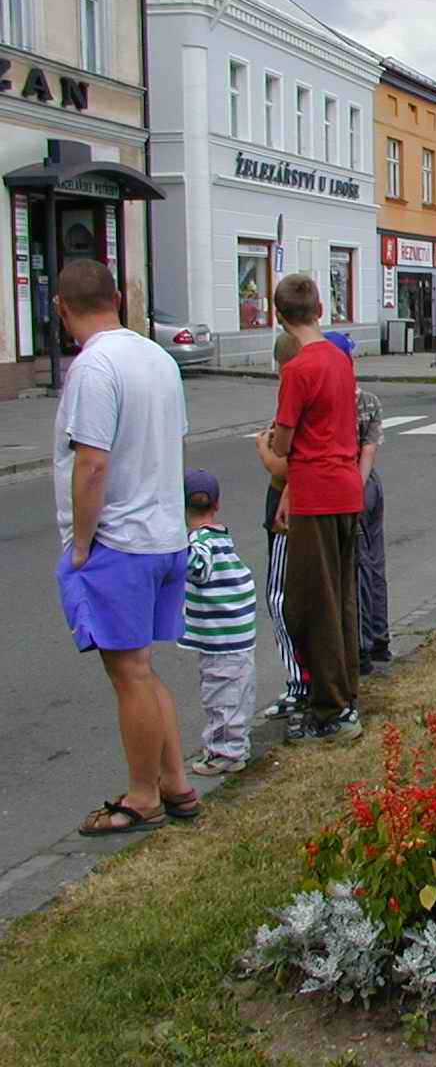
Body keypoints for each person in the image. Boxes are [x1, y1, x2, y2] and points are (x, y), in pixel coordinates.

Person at [52, 258, 199, 834]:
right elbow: (174, 442)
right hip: (163, 534)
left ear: (62, 308)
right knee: (142, 669)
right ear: (117, 298)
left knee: (129, 674)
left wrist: (81, 545)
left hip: (120, 540)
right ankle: (176, 783)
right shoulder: (157, 357)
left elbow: (91, 464)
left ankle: (142, 796)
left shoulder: (95, 366)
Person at [271, 274, 363, 742]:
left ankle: (332, 710)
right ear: (320, 309)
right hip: (346, 486)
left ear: (280, 317)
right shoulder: (339, 359)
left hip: (315, 491)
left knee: (309, 604)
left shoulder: (297, 369)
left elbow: (284, 442)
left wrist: (270, 444)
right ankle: (346, 690)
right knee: (341, 596)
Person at [180, 468, 256, 776]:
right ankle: (234, 745)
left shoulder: (200, 542)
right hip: (234, 637)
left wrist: (173, 545)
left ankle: (226, 753)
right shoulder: (220, 536)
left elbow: (197, 567)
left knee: (221, 697)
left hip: (222, 639)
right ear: (217, 504)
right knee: (234, 696)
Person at [326, 332, 390, 675]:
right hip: (367, 482)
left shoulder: (332, 400)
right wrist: (362, 482)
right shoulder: (367, 399)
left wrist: (353, 487)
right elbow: (370, 448)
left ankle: (361, 646)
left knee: (355, 566)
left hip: (346, 483)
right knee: (374, 562)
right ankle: (379, 637)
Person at [255, 333, 306, 720]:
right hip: (297, 501)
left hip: (289, 503)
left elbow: (287, 462)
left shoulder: (295, 393)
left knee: (279, 597)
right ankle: (309, 679)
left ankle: (299, 683)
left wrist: (264, 448)